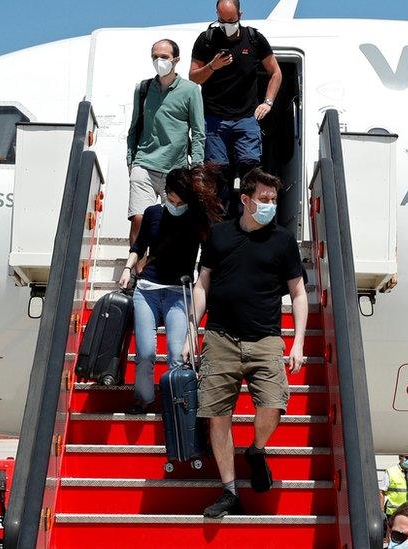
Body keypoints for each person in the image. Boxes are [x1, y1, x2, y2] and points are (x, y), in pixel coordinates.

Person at [185, 168, 307, 518]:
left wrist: (297, 341)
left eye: (274, 200)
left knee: (273, 407)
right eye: (264, 199)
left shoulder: (283, 241)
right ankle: (229, 490)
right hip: (220, 338)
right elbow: (202, 285)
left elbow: (298, 293)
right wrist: (192, 330)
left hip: (266, 339)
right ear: (245, 200)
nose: (270, 205)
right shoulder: (219, 236)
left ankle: (255, 449)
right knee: (217, 416)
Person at [119, 165, 223, 414]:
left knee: (177, 354)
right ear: (165, 194)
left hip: (179, 291)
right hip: (147, 289)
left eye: (181, 201)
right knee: (145, 352)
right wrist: (127, 268)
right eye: (172, 200)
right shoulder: (154, 213)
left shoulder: (197, 219)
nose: (176, 205)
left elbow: (209, 254)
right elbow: (140, 246)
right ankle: (143, 399)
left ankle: (177, 403)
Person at [189, 0, 282, 214]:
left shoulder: (255, 38)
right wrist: (213, 66)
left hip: (246, 118)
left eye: (231, 20)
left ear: (240, 14)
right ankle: (219, 225)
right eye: (222, 20)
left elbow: (276, 72)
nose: (227, 24)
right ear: (216, 15)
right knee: (217, 173)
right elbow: (194, 77)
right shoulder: (206, 40)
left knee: (250, 170)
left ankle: (251, 220)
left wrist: (267, 103)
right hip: (214, 119)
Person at [126, 38, 206, 244]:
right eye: (155, 57)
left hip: (176, 169)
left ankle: (161, 271)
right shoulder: (142, 89)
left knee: (171, 224)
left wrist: (196, 167)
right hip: (144, 164)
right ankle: (136, 272)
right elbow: (134, 127)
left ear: (176, 60)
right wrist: (130, 160)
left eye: (164, 57)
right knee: (138, 219)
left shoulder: (190, 90)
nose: (159, 61)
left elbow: (198, 132)